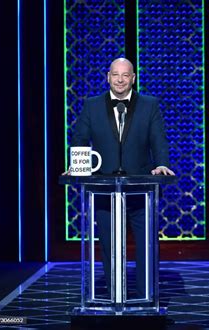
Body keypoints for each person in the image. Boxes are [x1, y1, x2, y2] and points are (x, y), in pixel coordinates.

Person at [71, 58, 174, 297]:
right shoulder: (92, 105)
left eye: (125, 75)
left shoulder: (149, 105)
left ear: (133, 78)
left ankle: (146, 293)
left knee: (146, 243)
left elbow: (158, 139)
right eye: (115, 74)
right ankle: (115, 292)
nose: (119, 79)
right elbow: (80, 139)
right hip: (104, 188)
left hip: (141, 188)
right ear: (107, 76)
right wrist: (77, 165)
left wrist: (161, 164)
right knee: (109, 243)